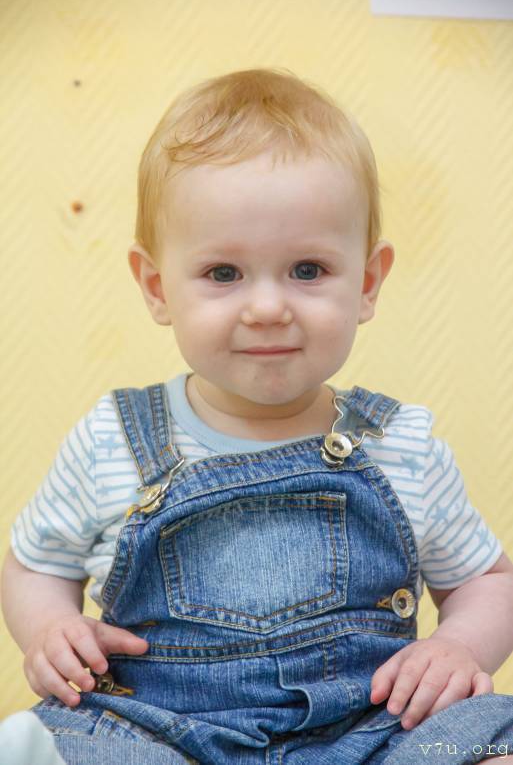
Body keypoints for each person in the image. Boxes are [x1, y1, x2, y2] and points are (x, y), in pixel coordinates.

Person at [2, 67, 513, 765]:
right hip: (156, 732)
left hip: (370, 735)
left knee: (487, 738)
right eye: (223, 274)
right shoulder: (111, 440)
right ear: (157, 287)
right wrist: (50, 629)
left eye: (307, 270)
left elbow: (486, 580)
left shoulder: (401, 444)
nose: (268, 307)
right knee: (56, 747)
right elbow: (35, 564)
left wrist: (457, 647)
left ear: (367, 282)